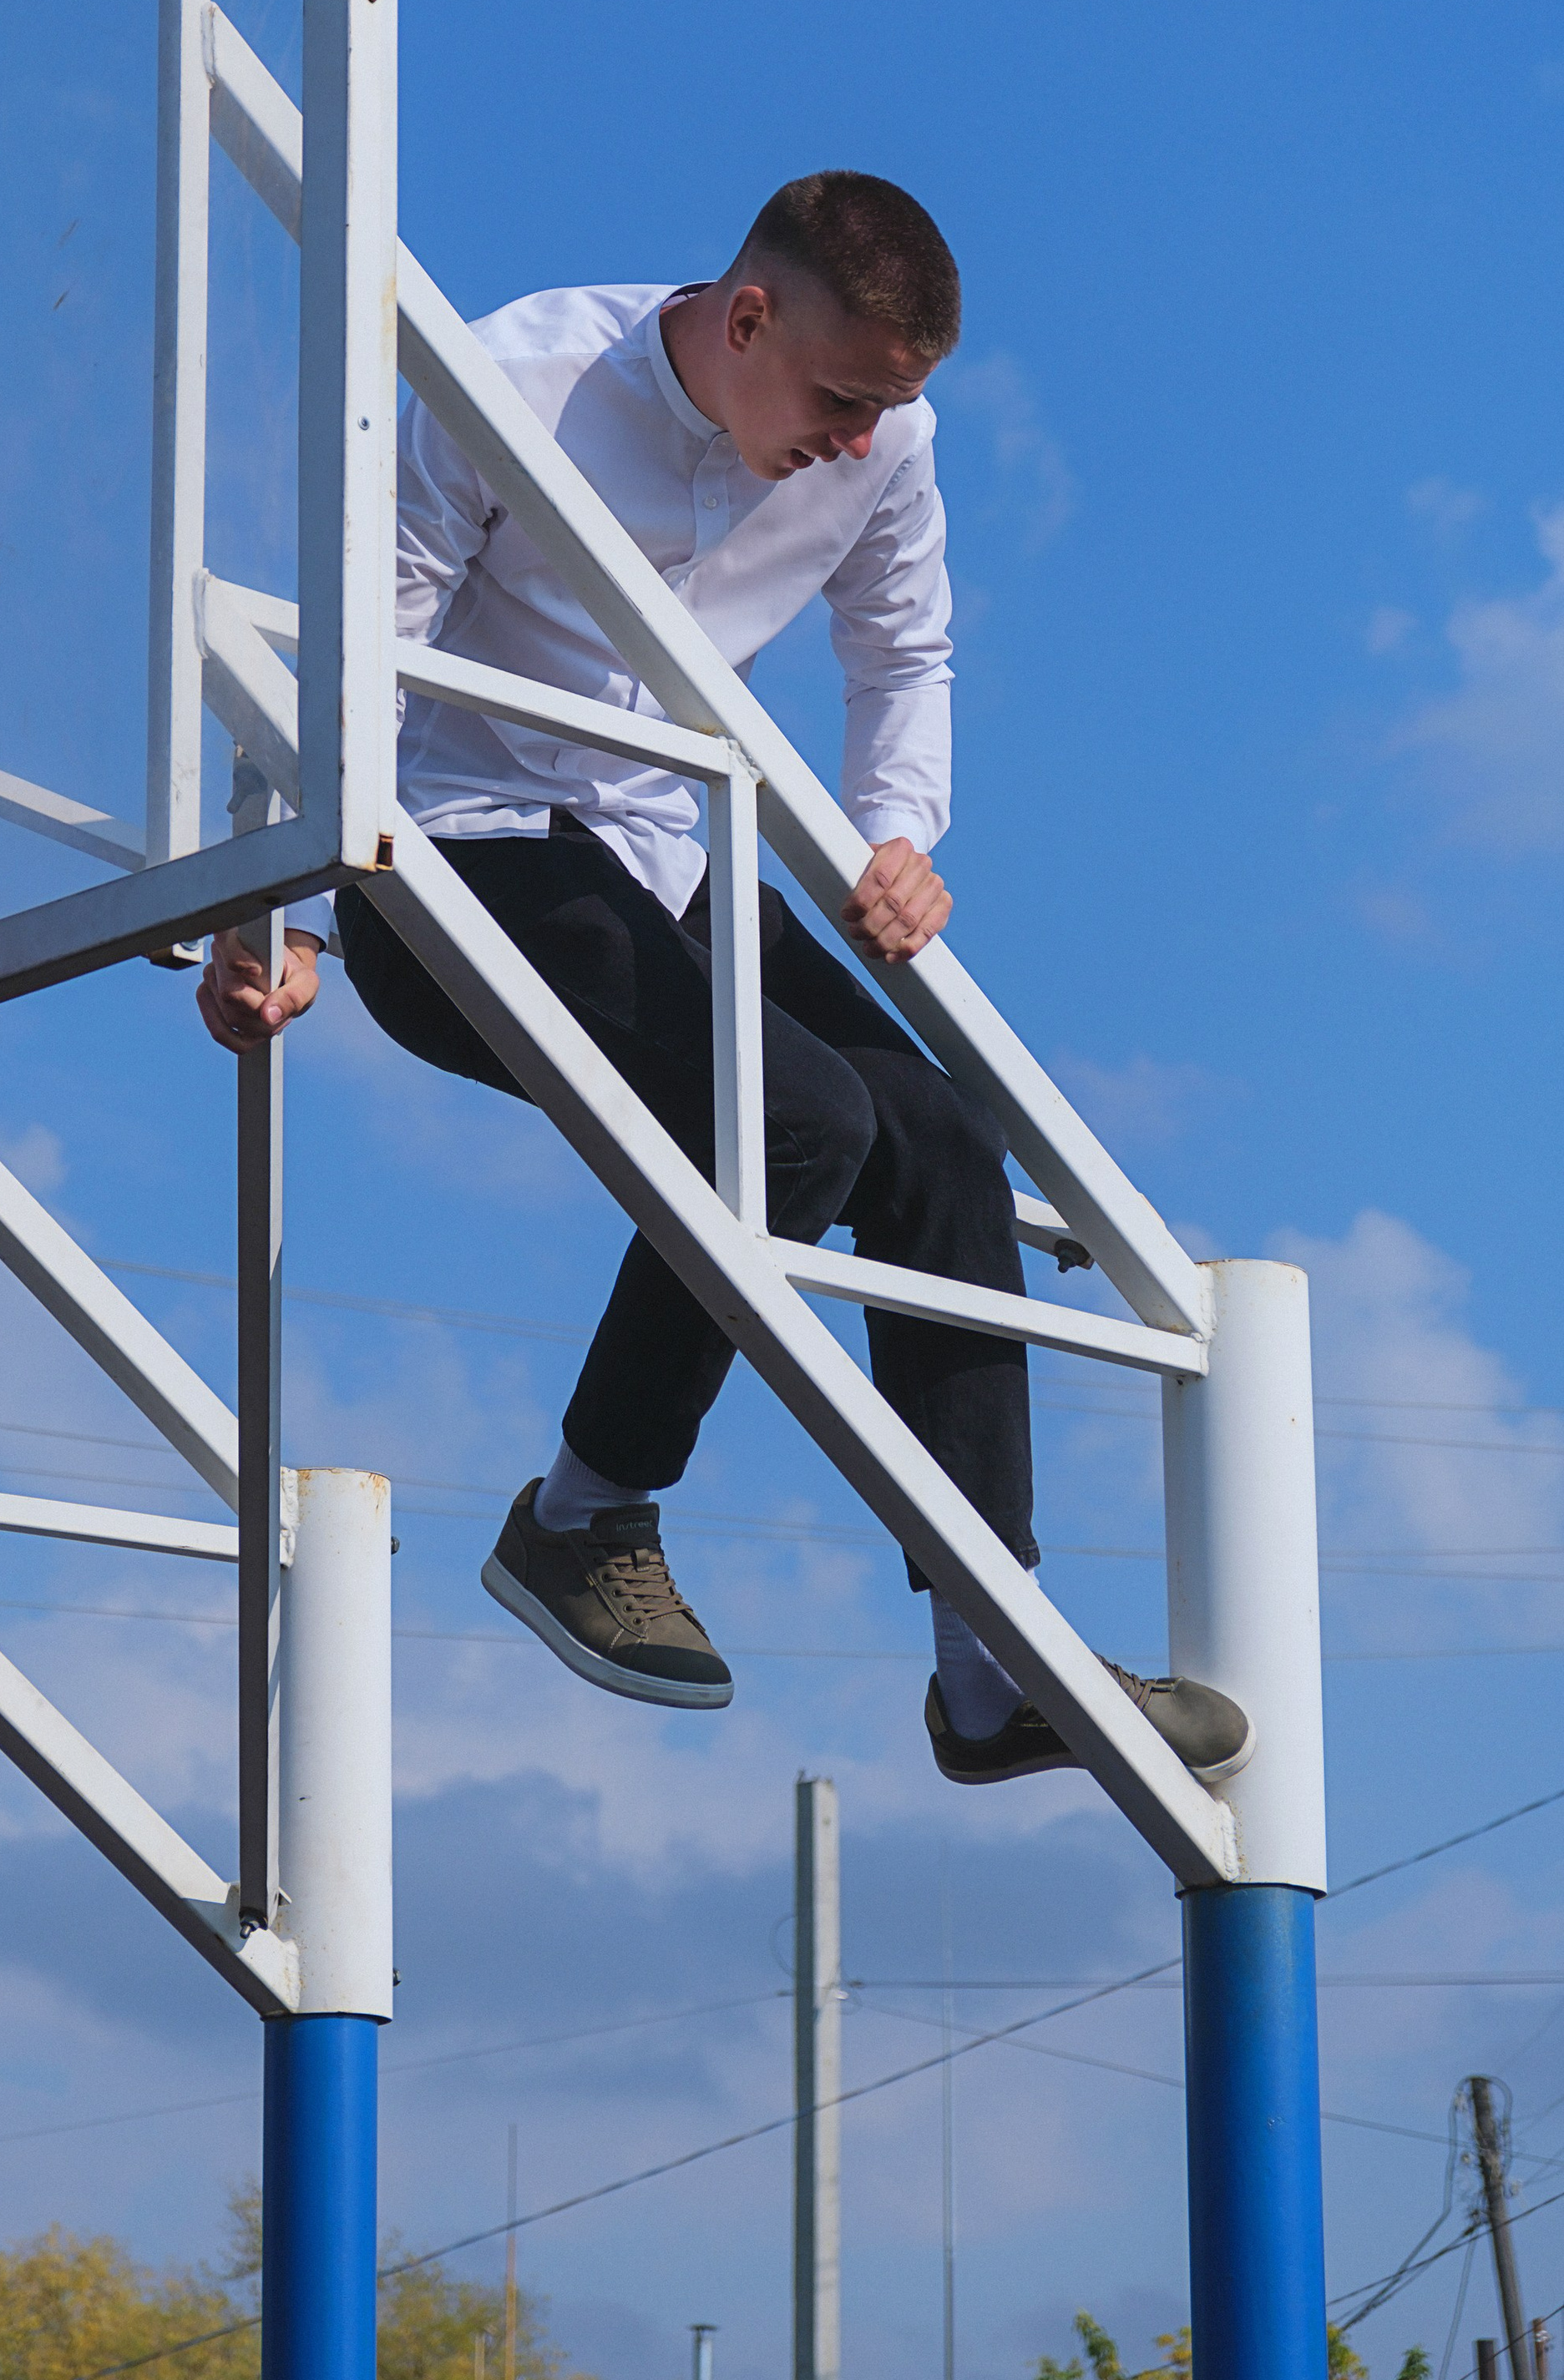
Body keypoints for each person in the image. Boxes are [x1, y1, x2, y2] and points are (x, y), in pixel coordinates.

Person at [194, 171, 1249, 1791]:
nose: (851, 441)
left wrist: (895, 834)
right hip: (447, 852)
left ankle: (989, 1668)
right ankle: (581, 1514)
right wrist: (275, 915)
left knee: (946, 1143)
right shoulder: (513, 378)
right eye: (836, 398)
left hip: (665, 857)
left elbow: (900, 648)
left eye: (883, 410)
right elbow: (351, 649)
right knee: (801, 1122)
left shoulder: (885, 436)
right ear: (744, 316)